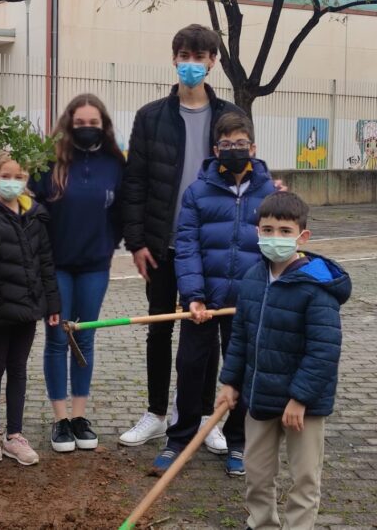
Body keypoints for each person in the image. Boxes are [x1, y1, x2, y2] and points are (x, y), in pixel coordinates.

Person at [119, 24, 248, 450]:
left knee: (205, 329)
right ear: (173, 58)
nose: (192, 64)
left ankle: (202, 418)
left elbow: (246, 170)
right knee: (159, 328)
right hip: (162, 243)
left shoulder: (228, 115)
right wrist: (136, 242)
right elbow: (134, 183)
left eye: (200, 57)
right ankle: (157, 413)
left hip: (211, 244)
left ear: (213, 62)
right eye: (184, 55)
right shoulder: (151, 116)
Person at [0, 93, 124, 453]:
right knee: (58, 339)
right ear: (68, 125)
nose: (87, 129)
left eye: (94, 123)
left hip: (95, 267)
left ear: (104, 126)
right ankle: (59, 420)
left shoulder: (116, 165)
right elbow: (15, 191)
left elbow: (127, 207)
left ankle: (79, 417)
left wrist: (109, 243)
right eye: (80, 123)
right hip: (56, 265)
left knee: (84, 339)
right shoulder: (48, 164)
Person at [215, 192, 349, 530]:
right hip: (259, 395)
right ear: (257, 232)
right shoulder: (252, 280)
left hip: (303, 405)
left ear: (302, 237)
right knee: (257, 474)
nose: (275, 238)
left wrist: (300, 398)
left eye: (285, 231)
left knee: (304, 478)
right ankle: (261, 523)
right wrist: (230, 382)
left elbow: (324, 349)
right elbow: (241, 337)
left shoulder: (315, 287)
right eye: (268, 229)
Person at [152, 113, 276, 476]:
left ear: (253, 148)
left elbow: (277, 245)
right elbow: (187, 246)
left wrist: (263, 294)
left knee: (242, 371)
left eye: (241, 144)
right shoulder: (197, 192)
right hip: (204, 300)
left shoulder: (269, 194)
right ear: (215, 149)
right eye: (227, 145)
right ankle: (179, 439)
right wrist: (194, 295)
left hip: (249, 303)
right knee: (190, 366)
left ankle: (238, 442)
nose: (234, 150)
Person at [0, 154, 61, 466]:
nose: (12, 181)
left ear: (26, 181)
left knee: (19, 369)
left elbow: (46, 264)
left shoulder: (36, 216)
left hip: (27, 308)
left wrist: (52, 303)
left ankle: (15, 435)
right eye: (5, 175)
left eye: (18, 176)